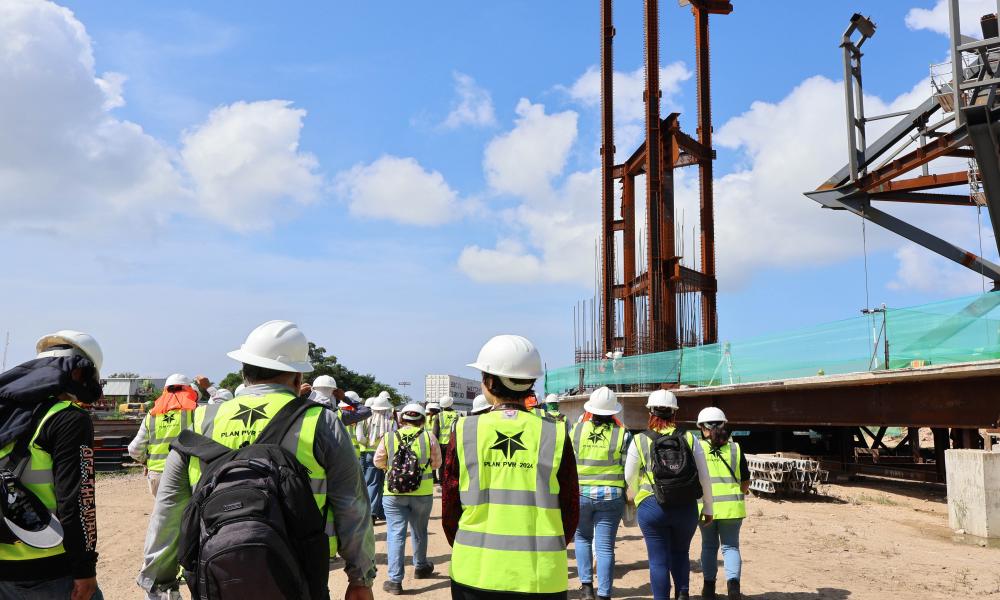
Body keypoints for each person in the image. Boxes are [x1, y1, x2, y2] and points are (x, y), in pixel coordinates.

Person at [137, 320, 376, 600]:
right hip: (300, 573)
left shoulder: (200, 421)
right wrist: (360, 578)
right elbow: (352, 504)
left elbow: (168, 508)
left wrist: (160, 583)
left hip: (215, 574)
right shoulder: (321, 422)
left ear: (244, 372)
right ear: (298, 377)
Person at [442, 334, 579, 600]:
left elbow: (450, 505)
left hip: (474, 572)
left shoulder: (465, 429)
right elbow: (570, 507)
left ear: (490, 382)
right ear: (530, 382)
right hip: (540, 576)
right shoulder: (555, 432)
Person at [0, 330, 105, 600]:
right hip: (47, 568)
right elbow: (77, 503)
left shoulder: (6, 411)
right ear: (79, 372)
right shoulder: (67, 418)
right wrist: (84, 568)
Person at [625, 389, 714, 600]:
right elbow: (704, 476)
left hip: (652, 506)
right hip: (685, 507)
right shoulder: (690, 438)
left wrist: (638, 497)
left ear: (650, 412)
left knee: (658, 561)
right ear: (674, 412)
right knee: (681, 553)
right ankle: (682, 593)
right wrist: (708, 507)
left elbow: (629, 475)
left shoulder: (640, 440)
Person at [374, 403, 440, 595]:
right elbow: (437, 463)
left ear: (401, 419)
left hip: (393, 493)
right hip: (422, 493)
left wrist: (392, 470)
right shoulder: (429, 437)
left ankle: (395, 581)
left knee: (396, 534)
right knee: (419, 531)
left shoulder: (389, 437)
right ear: (422, 420)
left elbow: (377, 461)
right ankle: (420, 566)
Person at [571, 387, 630, 600]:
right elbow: (628, 468)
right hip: (611, 495)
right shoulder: (623, 434)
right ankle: (604, 594)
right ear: (613, 411)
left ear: (591, 409)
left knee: (582, 539)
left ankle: (586, 588)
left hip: (581, 494)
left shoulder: (576, 430)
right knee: (605, 547)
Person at [696, 407, 749, 600]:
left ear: (703, 428)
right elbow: (745, 481)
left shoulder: (697, 448)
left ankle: (708, 589)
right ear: (724, 426)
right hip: (732, 509)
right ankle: (733, 590)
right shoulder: (736, 448)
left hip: (705, 508)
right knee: (731, 548)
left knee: (709, 547)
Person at [128, 374, 198, 497]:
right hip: (186, 474)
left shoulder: (151, 415)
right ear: (189, 390)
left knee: (162, 510)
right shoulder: (195, 412)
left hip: (157, 476)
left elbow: (134, 450)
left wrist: (146, 461)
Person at [356, 394, 396, 523]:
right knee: (384, 484)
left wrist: (369, 443)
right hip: (387, 455)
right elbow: (394, 439)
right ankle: (380, 511)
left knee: (371, 483)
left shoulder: (365, 419)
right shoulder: (391, 421)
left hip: (369, 453)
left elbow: (359, 438)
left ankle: (371, 513)